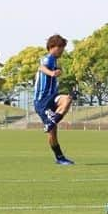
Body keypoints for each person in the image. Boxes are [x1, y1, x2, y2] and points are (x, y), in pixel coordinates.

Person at [34, 34, 74, 165]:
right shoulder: (48, 58)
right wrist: (52, 73)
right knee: (52, 133)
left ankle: (51, 122)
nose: (62, 51)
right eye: (60, 48)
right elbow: (41, 67)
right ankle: (60, 157)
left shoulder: (54, 61)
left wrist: (57, 70)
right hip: (42, 101)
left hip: (52, 97)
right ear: (52, 47)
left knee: (67, 99)